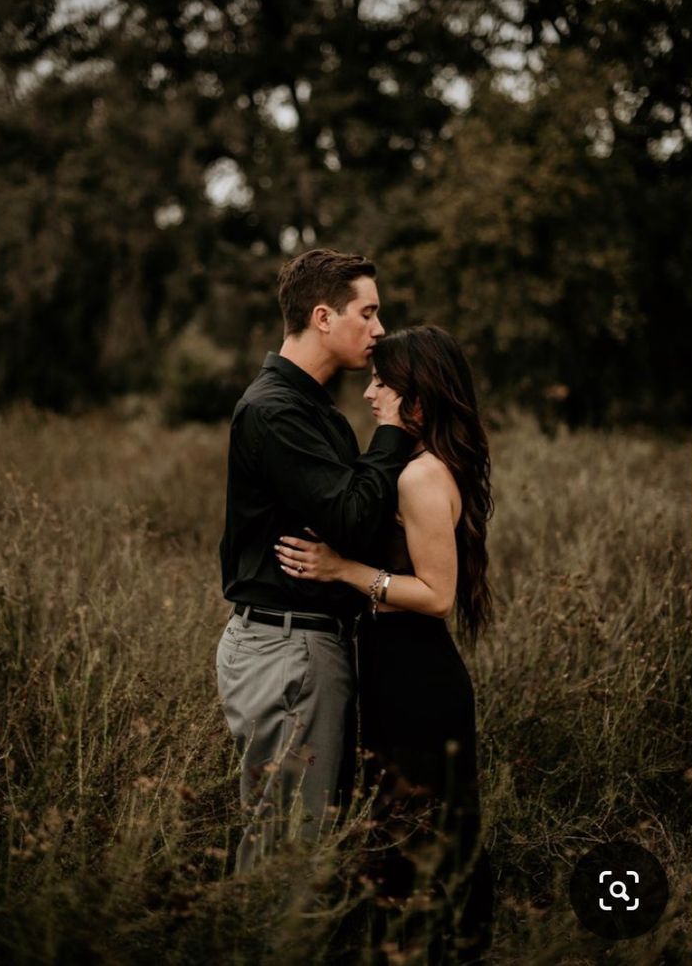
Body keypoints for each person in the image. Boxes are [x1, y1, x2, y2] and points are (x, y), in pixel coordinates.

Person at [274, 325, 495, 963]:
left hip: (419, 686)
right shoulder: (416, 465)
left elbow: (437, 595)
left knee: (424, 847)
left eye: (384, 383)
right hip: (397, 677)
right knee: (407, 844)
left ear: (418, 399)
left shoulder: (421, 478)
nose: (370, 393)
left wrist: (340, 568)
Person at [216, 249, 416, 873]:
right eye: (369, 312)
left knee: (297, 845)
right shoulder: (277, 411)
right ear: (324, 316)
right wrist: (395, 431)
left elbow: (351, 521)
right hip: (289, 653)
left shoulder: (311, 407)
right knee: (288, 860)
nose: (380, 330)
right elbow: (353, 517)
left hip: (298, 649)